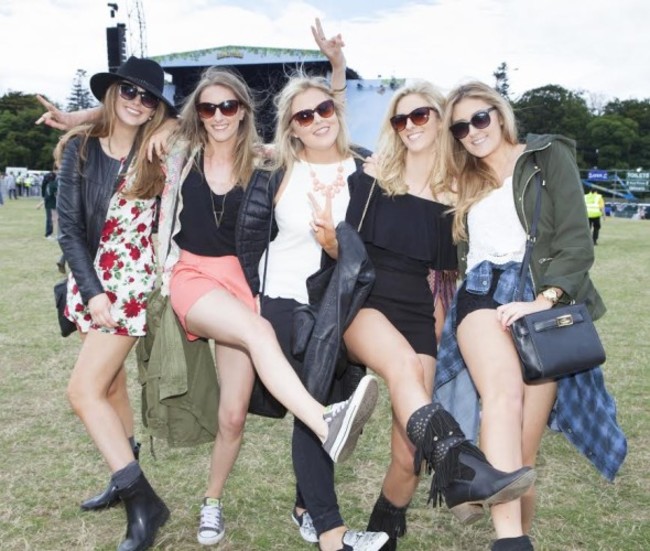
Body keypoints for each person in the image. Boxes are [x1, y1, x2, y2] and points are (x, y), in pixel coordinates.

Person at [156, 60, 380, 546]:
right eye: (208, 107)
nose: (218, 115)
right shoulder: (178, 153)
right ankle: (324, 421)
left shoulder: (263, 159)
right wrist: (76, 120)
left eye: (228, 106)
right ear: (196, 112)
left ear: (242, 111)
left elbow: (322, 125)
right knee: (259, 334)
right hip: (192, 277)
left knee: (233, 415)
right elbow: (128, 120)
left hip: (241, 285)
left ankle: (211, 502)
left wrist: (337, 74)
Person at [435, 81, 627, 550]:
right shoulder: (461, 178)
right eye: (460, 127)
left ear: (499, 114)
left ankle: (517, 532)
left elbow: (575, 240)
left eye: (479, 118)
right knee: (502, 396)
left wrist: (545, 300)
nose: (472, 132)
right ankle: (510, 543)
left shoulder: (547, 157)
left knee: (522, 456)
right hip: (482, 294)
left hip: (540, 302)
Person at [56, 56, 176, 551]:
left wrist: (167, 126)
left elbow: (209, 120)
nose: (137, 102)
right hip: (90, 280)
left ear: (156, 108)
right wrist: (89, 289)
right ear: (113, 92)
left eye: (149, 98)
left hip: (130, 282)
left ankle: (142, 499)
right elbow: (67, 227)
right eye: (129, 91)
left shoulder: (161, 150)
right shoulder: (80, 149)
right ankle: (120, 470)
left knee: (82, 392)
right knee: (109, 388)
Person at [39, 168, 58, 238]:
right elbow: (48, 196)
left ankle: (54, 234)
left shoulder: (48, 185)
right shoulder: (53, 184)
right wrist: (40, 204)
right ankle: (49, 234)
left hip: (51, 204)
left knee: (53, 219)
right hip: (52, 204)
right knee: (52, 219)